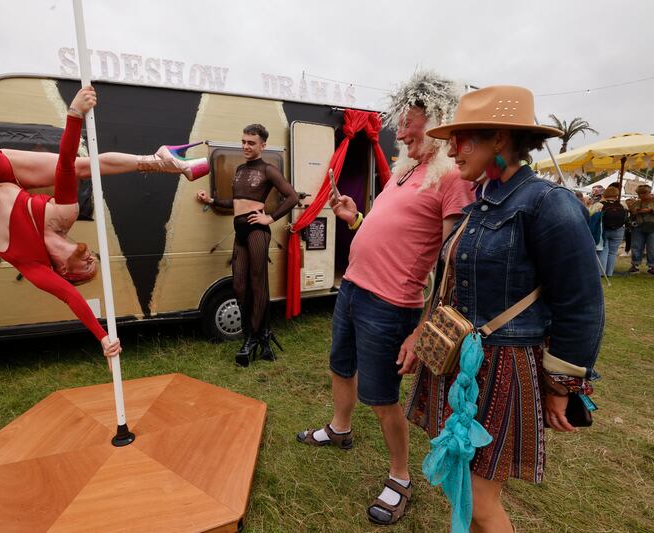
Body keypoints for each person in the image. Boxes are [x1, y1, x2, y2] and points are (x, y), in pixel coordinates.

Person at [405, 85, 604, 533]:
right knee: (467, 487)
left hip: (504, 368)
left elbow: (581, 304)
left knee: (478, 499)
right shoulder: (482, 200)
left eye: (464, 138)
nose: (452, 149)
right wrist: (425, 336)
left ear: (499, 139)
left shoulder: (547, 203)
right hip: (464, 365)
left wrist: (560, 385)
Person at [294, 70, 474, 525]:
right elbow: (391, 231)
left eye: (411, 123)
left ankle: (400, 478)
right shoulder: (405, 170)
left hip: (392, 304)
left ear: (438, 121)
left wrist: (422, 330)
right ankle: (339, 430)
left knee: (380, 394)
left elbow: (452, 263)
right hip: (354, 287)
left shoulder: (451, 176)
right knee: (340, 365)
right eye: (402, 123)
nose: (402, 132)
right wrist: (356, 219)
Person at [0, 65, 207, 360]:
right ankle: (159, 160)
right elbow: (67, 164)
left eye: (87, 269)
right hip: (5, 169)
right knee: (83, 167)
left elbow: (71, 297)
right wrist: (74, 114)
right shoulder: (65, 216)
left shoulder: (32, 265)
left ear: (65, 272)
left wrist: (104, 339)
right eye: (94, 261)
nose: (91, 259)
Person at [195, 124, 298, 366]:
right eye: (243, 141)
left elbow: (292, 196)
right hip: (240, 230)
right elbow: (237, 202)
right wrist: (210, 200)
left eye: (251, 143)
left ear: (263, 145)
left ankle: (250, 338)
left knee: (257, 282)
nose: (245, 146)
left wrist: (270, 218)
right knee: (240, 285)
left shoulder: (268, 169)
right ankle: (262, 335)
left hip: (257, 231)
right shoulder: (240, 169)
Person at [596, 185, 627, 276]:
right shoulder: (622, 205)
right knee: (613, 252)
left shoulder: (599, 204)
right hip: (619, 230)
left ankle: (602, 273)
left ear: (605, 194)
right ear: (616, 195)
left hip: (604, 229)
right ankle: (609, 272)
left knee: (603, 250)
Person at [628, 184, 654, 274]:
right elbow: (631, 213)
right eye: (639, 193)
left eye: (643, 193)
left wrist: (650, 210)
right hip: (638, 226)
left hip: (652, 226)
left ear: (649, 192)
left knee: (652, 247)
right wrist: (632, 210)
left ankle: (652, 266)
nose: (641, 195)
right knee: (636, 246)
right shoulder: (636, 203)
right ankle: (635, 265)